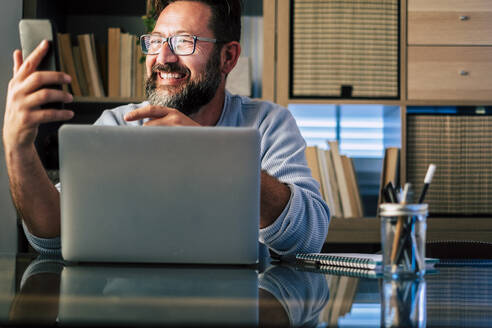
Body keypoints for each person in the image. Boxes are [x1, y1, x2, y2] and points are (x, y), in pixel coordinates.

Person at [3, 0, 330, 257]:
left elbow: (306, 238)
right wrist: (18, 149)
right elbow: (53, 239)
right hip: (127, 306)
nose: (163, 57)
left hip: (233, 306)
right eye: (156, 41)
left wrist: (210, 150)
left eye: (184, 42)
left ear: (228, 57)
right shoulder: (118, 126)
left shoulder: (267, 123)